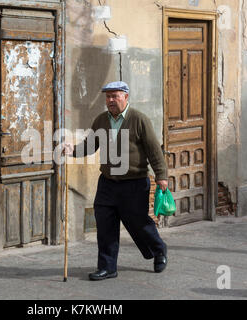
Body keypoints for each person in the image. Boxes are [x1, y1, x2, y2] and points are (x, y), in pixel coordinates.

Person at [63, 81, 169, 280]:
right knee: (105, 225)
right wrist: (73, 150)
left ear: (126, 97)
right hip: (108, 183)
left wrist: (161, 176)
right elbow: (91, 145)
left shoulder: (139, 119)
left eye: (115, 96)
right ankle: (108, 266)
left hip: (134, 182)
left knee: (139, 223)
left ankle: (159, 249)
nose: (110, 100)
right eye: (108, 97)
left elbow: (154, 150)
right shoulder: (101, 120)